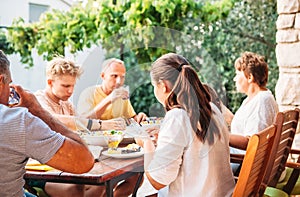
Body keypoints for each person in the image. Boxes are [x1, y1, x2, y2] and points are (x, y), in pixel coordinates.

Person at [136, 53, 235, 196]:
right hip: (222, 193)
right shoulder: (212, 108)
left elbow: (157, 181)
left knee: (142, 192)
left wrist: (145, 142)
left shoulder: (177, 117)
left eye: (153, 86)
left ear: (163, 86)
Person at [0, 50, 94, 196]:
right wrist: (36, 109)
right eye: (9, 84)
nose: (70, 91)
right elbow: (84, 161)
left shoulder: (66, 104)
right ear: (1, 82)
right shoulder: (19, 118)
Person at [34, 57, 126, 197]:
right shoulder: (38, 100)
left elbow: (82, 123)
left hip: (66, 162)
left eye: (73, 86)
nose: (70, 91)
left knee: (102, 184)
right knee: (75, 189)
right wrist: (101, 125)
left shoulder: (66, 103)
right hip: (41, 168)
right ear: (50, 82)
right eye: (66, 86)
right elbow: (56, 120)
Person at [229, 52, 278, 153]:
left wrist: (220, 135)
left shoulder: (261, 102)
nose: (234, 79)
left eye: (237, 74)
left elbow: (251, 142)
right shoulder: (254, 99)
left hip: (240, 162)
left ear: (250, 77)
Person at [77, 58, 147, 123]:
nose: (119, 81)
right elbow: (83, 122)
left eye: (122, 77)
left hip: (117, 136)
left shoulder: (121, 96)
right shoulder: (88, 93)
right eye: (114, 76)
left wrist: (140, 117)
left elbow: (132, 118)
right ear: (103, 75)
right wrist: (109, 99)